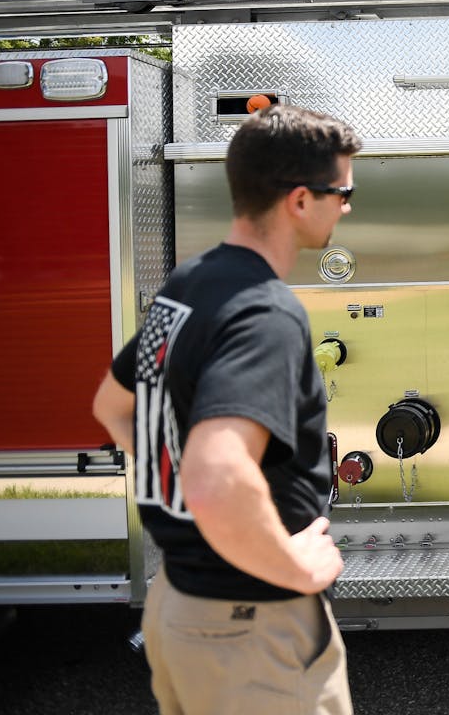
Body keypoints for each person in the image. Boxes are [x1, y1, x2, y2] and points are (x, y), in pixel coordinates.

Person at [91, 103, 362, 715]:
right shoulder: (263, 312)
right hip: (251, 630)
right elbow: (218, 474)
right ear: (299, 200)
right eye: (341, 192)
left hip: (180, 607)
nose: (347, 206)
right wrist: (291, 565)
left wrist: (184, 487)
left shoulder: (189, 286)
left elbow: (113, 406)